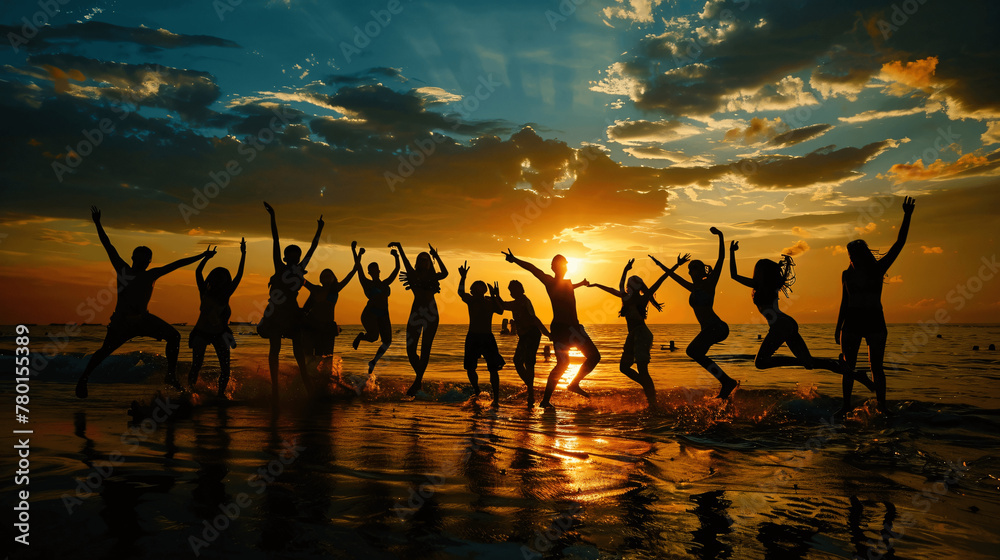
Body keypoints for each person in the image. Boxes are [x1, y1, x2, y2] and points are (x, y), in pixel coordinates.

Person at [76, 206, 214, 398]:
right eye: (139, 257)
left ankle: (170, 376)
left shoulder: (151, 275)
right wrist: (98, 223)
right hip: (122, 322)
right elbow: (108, 246)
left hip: (143, 319)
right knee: (103, 352)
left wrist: (202, 256)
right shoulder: (123, 270)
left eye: (145, 258)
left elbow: (177, 264)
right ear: (133, 258)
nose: (142, 261)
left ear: (149, 261)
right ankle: (83, 379)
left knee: (174, 337)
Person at [729, 240, 876, 390]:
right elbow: (782, 274)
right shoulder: (774, 284)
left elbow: (733, 275)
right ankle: (856, 375)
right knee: (809, 363)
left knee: (760, 363)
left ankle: (801, 362)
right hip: (787, 323)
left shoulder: (759, 285)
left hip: (780, 325)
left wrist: (731, 252)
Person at [836, 196, 916, 418]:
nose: (851, 259)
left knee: (877, 367)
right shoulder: (846, 274)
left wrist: (907, 215)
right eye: (849, 255)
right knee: (848, 368)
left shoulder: (877, 269)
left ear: (862, 255)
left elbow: (899, 244)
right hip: (851, 323)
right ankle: (846, 406)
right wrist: (837, 327)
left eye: (853, 255)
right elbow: (845, 301)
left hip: (874, 321)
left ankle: (882, 406)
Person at [502, 250, 599, 409]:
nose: (564, 267)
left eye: (565, 264)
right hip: (561, 329)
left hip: (575, 328)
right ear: (553, 267)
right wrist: (515, 259)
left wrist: (580, 284)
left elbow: (567, 288)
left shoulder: (568, 283)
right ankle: (545, 400)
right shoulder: (550, 282)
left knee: (594, 356)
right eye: (560, 265)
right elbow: (533, 269)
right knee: (563, 364)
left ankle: (573, 384)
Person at [652, 227, 739, 399]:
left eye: (695, 268)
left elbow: (721, 259)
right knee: (696, 353)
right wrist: (659, 264)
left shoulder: (709, 284)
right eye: (690, 269)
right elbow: (671, 275)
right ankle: (726, 382)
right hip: (708, 329)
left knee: (692, 351)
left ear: (701, 271)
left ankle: (727, 382)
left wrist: (721, 236)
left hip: (717, 327)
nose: (691, 271)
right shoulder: (692, 287)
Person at [589, 257, 684, 408]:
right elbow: (617, 286)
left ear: (634, 287)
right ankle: (648, 388)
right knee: (624, 367)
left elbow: (661, 279)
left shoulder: (638, 298)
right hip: (633, 335)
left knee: (642, 370)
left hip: (641, 334)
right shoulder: (629, 298)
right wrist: (598, 283)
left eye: (631, 284)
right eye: (628, 284)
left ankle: (652, 402)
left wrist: (676, 265)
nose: (627, 286)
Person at [256, 201, 323, 400]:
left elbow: (313, 248)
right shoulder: (280, 267)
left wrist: (319, 229)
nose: (294, 258)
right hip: (277, 312)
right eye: (291, 256)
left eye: (297, 256)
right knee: (274, 348)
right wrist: (273, 217)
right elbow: (275, 240)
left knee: (298, 353)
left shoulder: (300, 269)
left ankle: (307, 386)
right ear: (286, 258)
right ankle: (275, 388)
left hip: (292, 313)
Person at [387, 242, 448, 396]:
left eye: (426, 260)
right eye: (421, 260)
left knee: (425, 349)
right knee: (410, 349)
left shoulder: (433, 276)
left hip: (431, 314)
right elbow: (405, 261)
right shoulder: (413, 274)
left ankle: (417, 382)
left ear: (429, 263)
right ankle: (419, 380)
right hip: (416, 314)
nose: (423, 262)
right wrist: (400, 247)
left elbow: (445, 273)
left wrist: (436, 256)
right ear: (417, 262)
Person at [187, 238, 246, 398]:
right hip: (201, 331)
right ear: (212, 279)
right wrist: (205, 258)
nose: (220, 281)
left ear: (226, 281)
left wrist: (243, 254)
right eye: (217, 277)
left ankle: (220, 395)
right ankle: (189, 394)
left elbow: (239, 275)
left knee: (225, 368)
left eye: (223, 278)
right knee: (196, 365)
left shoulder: (226, 294)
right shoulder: (204, 291)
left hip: (220, 333)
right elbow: (198, 273)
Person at [301, 257, 357, 380]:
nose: (325, 278)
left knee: (327, 356)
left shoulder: (335, 290)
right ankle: (307, 373)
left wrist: (356, 264)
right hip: (313, 326)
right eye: (323, 276)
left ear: (333, 279)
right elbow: (303, 281)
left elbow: (349, 276)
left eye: (328, 276)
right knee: (310, 354)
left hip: (328, 327)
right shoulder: (316, 289)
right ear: (320, 279)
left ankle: (326, 378)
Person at [496, 279, 551, 407]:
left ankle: (531, 392)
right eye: (510, 291)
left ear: (520, 290)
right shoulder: (518, 302)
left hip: (532, 334)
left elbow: (534, 318)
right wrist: (496, 295)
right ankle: (530, 388)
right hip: (525, 335)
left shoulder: (523, 302)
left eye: (513, 290)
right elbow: (503, 305)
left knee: (528, 362)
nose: (511, 293)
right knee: (518, 361)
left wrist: (546, 333)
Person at [458, 262, 505, 407]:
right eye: (474, 288)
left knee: (493, 368)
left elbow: (501, 311)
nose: (476, 290)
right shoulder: (471, 300)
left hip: (487, 337)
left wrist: (495, 295)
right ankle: (477, 390)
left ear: (483, 290)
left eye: (479, 287)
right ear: (472, 291)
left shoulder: (490, 301)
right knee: (470, 368)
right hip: (473, 336)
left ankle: (496, 399)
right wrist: (463, 277)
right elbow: (460, 293)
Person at [352, 242, 400, 374]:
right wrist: (356, 252)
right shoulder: (366, 283)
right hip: (370, 314)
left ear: (379, 271)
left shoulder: (385, 284)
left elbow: (396, 270)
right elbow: (358, 267)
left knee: (387, 341)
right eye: (371, 270)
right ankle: (361, 337)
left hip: (384, 314)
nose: (374, 272)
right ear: (369, 272)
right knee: (373, 337)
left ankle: (373, 361)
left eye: (376, 269)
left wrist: (396, 256)